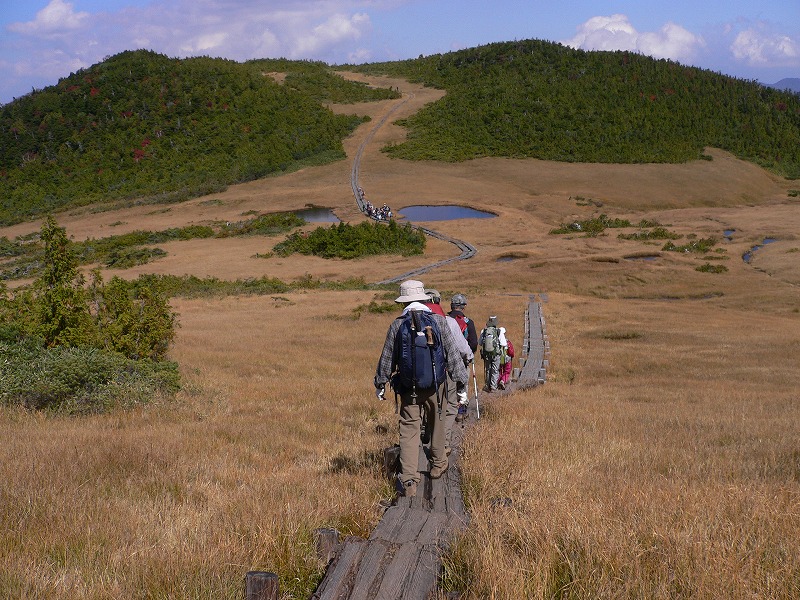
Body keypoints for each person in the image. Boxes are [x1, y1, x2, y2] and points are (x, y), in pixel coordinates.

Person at [374, 280, 469, 498]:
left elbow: (387, 359)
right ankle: (437, 465)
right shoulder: (438, 321)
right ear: (424, 298)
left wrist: (380, 383)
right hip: (436, 385)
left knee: (408, 431)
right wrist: (461, 382)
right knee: (437, 423)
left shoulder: (398, 324)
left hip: (408, 388)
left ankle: (409, 480)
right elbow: (453, 356)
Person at [425, 289, 473, 455]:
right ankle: (443, 444)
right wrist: (469, 358)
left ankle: (426, 435)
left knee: (426, 406)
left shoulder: (407, 321)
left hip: (420, 374)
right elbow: (461, 348)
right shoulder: (448, 322)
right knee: (450, 405)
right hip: (444, 371)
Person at [479, 316, 508, 392]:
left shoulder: (484, 331)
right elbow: (504, 343)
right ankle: (493, 387)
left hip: (486, 354)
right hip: (496, 354)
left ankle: (487, 385)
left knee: (488, 369)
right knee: (495, 370)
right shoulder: (498, 331)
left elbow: (480, 343)